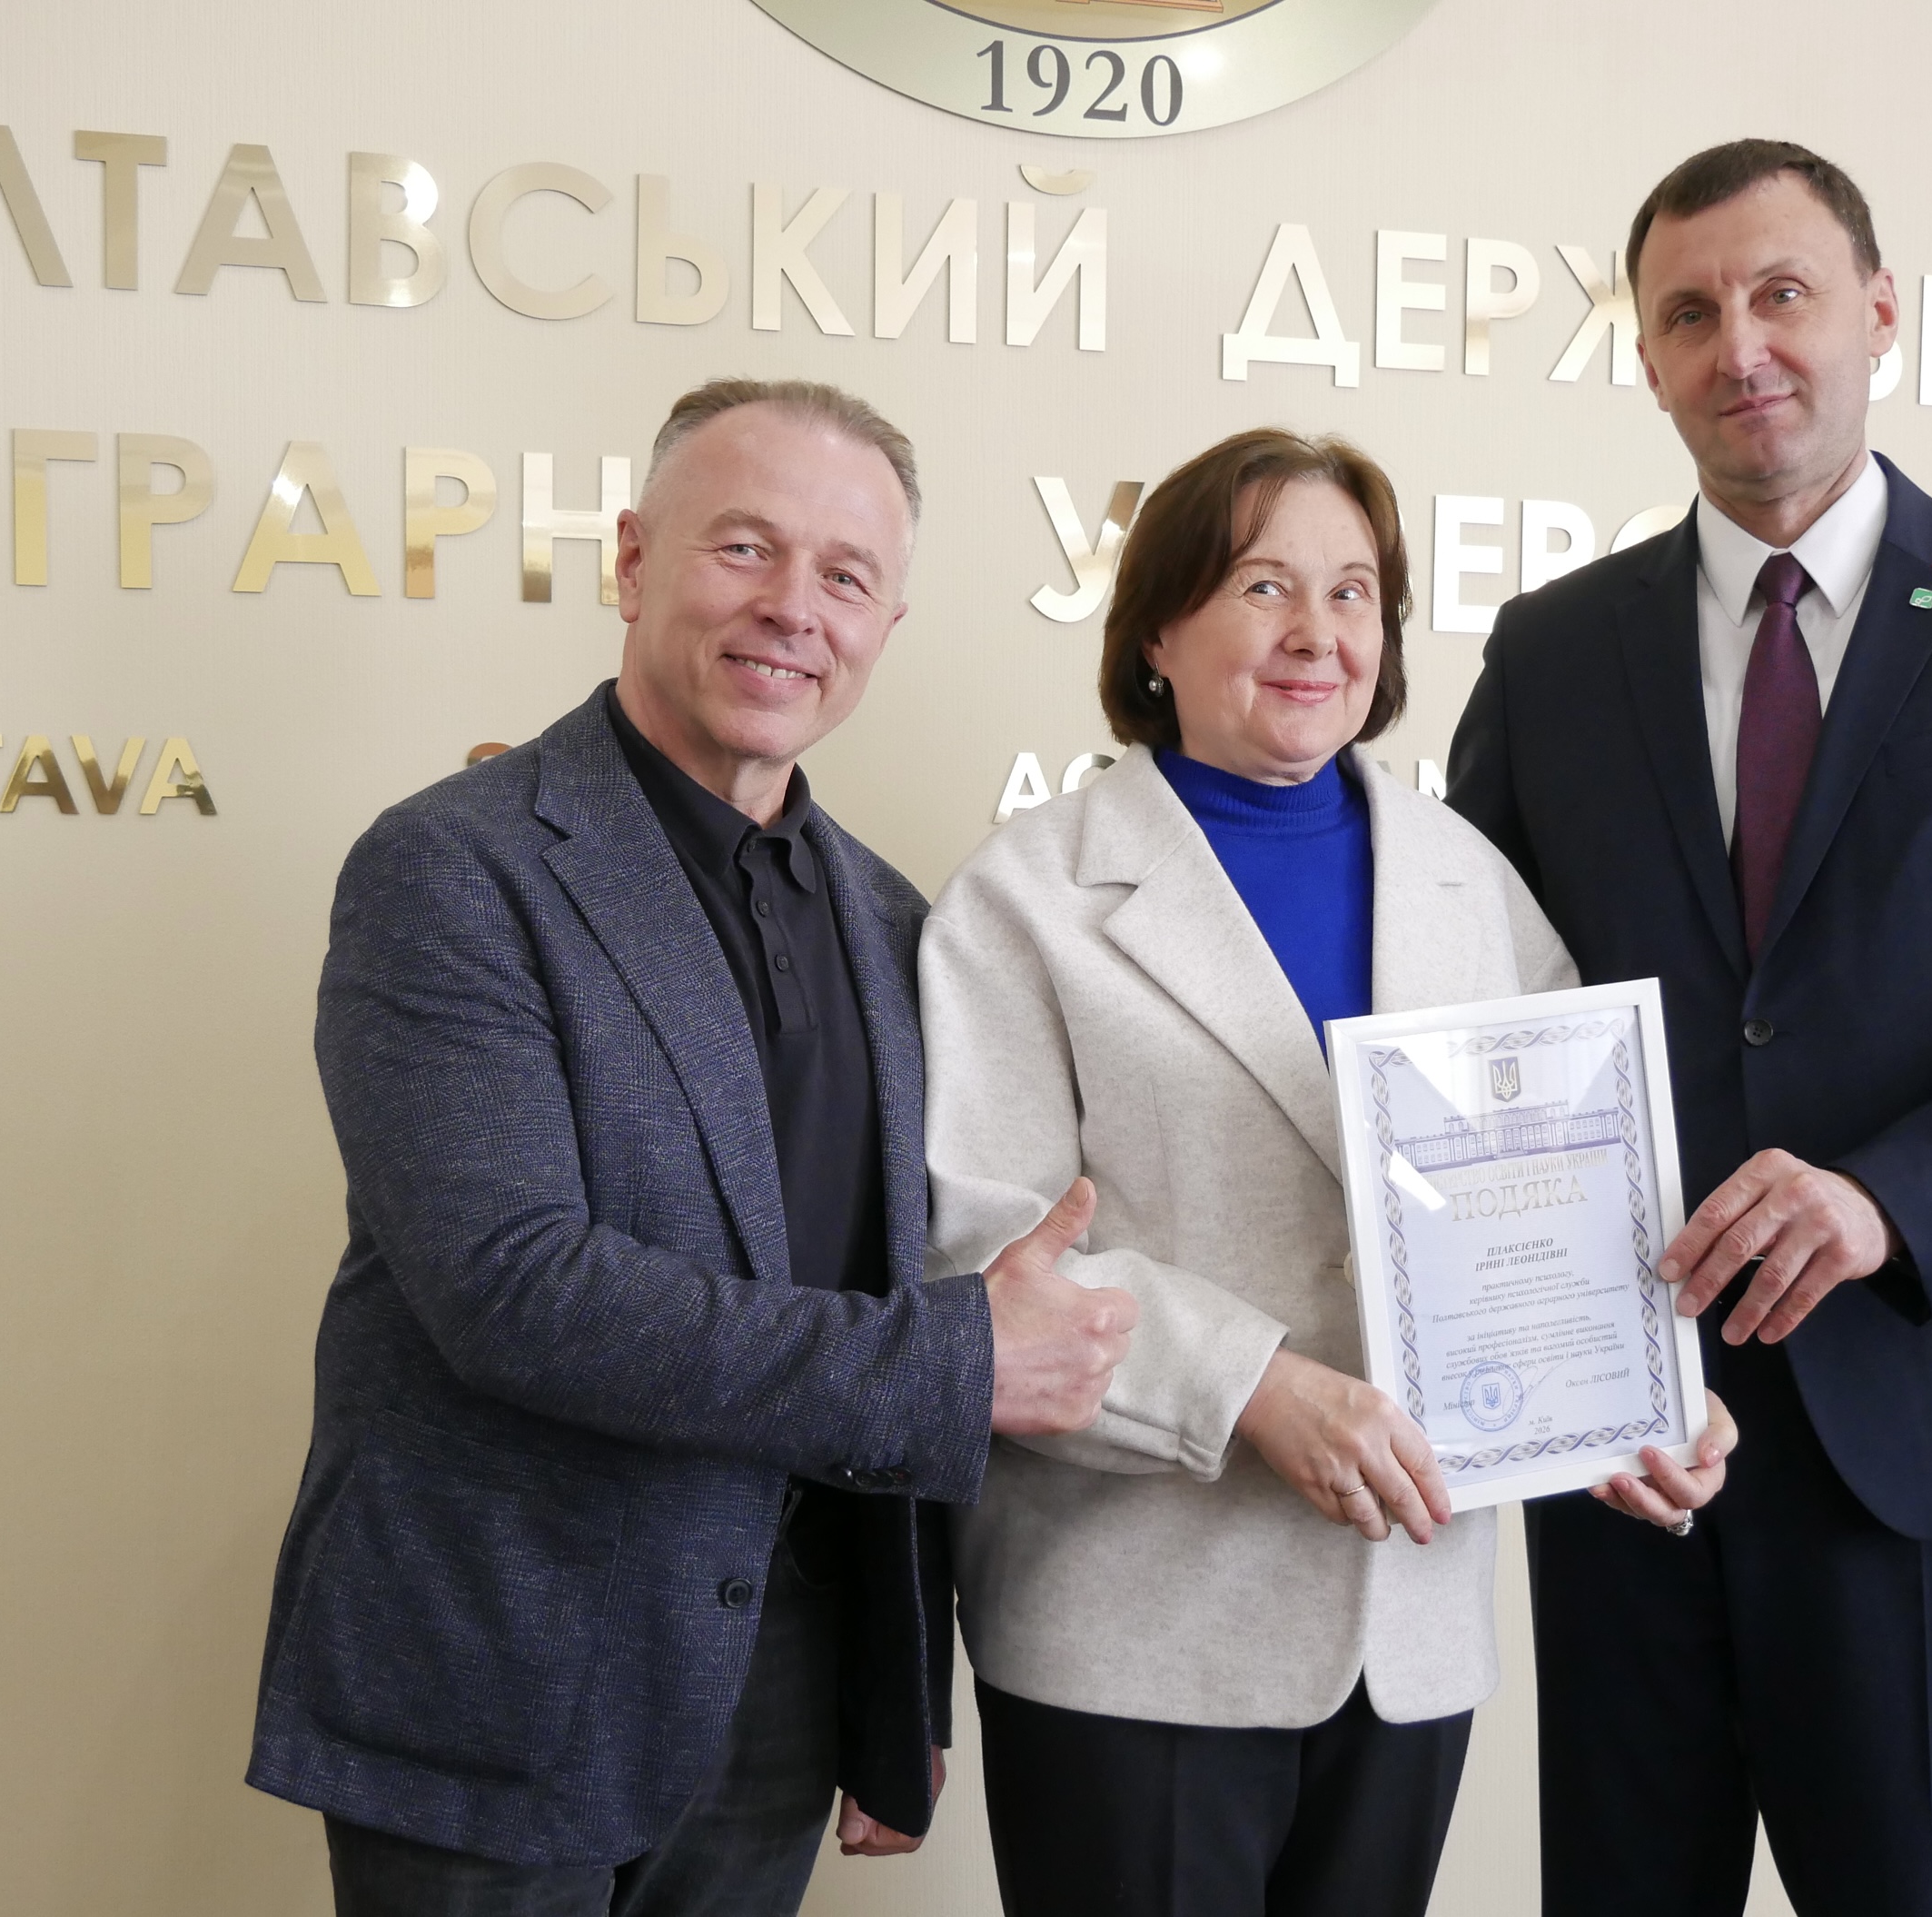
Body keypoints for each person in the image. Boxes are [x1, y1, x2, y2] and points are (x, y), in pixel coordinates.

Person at [1447, 141, 1932, 1917]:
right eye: (1688, 313)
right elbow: (1483, 1014)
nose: (1741, 346)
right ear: (1648, 360)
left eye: (1781, 292)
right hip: (1628, 1429)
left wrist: (1888, 1198)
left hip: (1922, 1416)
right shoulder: (1550, 652)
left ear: (1879, 310)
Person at [245, 377, 1136, 1915]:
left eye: (845, 575)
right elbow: (513, 1289)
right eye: (745, 547)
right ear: (632, 560)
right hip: (496, 1676)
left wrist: (893, 1682)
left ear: (885, 625)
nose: (793, 606)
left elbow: (874, 1267)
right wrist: (963, 1360)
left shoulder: (892, 918)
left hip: (771, 1688)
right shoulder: (451, 868)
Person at [918, 428, 1736, 1917]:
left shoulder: (1469, 879)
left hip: (1406, 1627)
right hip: (1139, 1632)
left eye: (1352, 591)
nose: (1317, 632)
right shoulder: (1024, 895)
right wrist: (1253, 1386)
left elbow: (1573, 1188)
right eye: (1263, 585)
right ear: (1155, 630)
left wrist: (1637, 1393)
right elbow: (985, 1252)